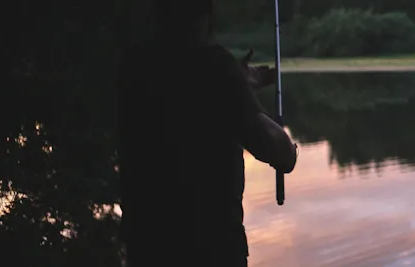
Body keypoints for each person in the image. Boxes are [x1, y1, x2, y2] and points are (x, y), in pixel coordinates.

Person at [117, 1, 298, 266]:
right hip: (211, 248)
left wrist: (239, 82)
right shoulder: (214, 64)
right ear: (206, 11)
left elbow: (183, 98)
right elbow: (278, 151)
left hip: (146, 245)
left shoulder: (134, 64)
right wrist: (289, 146)